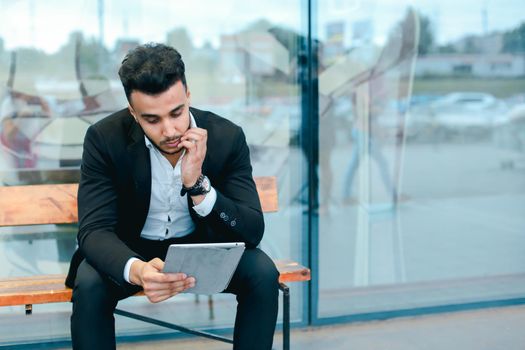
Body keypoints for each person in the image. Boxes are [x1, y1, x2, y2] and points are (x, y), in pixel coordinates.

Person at [65, 43, 279, 350]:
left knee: (261, 272)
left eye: (177, 113)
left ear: (188, 95)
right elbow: (93, 231)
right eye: (152, 119)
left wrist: (198, 186)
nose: (169, 130)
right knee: (89, 284)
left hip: (200, 248)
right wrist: (138, 270)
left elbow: (252, 231)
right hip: (131, 250)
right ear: (133, 113)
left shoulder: (226, 137)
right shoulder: (104, 138)